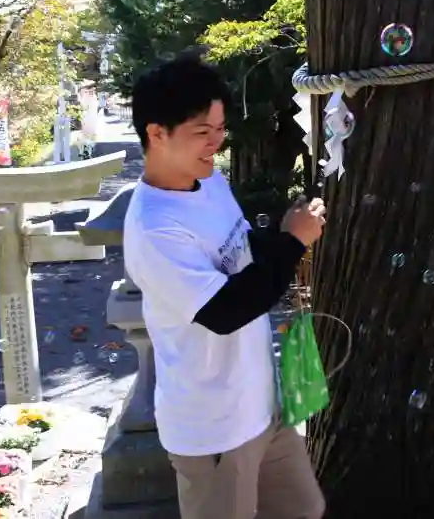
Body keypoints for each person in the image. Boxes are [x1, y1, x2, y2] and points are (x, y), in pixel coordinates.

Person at [123, 53, 327, 519]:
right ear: (157, 133)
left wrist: (285, 234)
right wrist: (293, 242)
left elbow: (242, 250)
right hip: (213, 430)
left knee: (303, 510)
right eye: (202, 131)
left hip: (263, 404)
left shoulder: (208, 180)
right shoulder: (154, 228)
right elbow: (224, 311)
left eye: (219, 128)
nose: (216, 142)